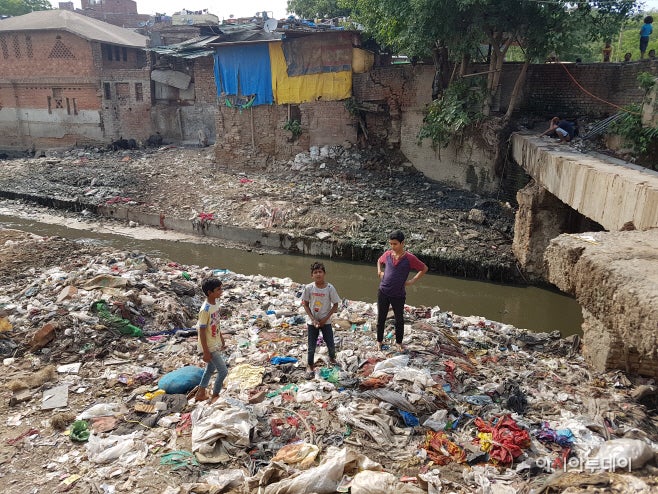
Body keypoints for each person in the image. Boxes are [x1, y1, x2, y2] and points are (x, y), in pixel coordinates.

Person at [376, 230, 428, 352]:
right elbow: (379, 260)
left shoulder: (409, 258)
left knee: (399, 320)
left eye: (395, 244)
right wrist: (379, 271)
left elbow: (424, 268)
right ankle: (379, 341)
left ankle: (399, 342)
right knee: (381, 318)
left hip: (398, 295)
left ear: (402, 243)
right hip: (383, 291)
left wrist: (412, 280)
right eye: (391, 244)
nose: (392, 246)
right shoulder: (388, 254)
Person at [301, 262, 340, 378]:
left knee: (331, 344)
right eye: (315, 272)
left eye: (320, 272)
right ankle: (310, 365)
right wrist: (313, 319)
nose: (318, 274)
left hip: (326, 321)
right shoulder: (309, 288)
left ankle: (332, 358)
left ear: (324, 273)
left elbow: (335, 305)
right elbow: (305, 304)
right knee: (311, 346)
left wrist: (325, 319)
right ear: (311, 275)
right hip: (312, 322)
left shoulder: (329, 288)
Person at [194, 277, 228, 403]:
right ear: (210, 292)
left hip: (215, 341)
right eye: (218, 289)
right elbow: (201, 331)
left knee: (210, 369)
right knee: (223, 371)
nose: (221, 291)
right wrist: (205, 351)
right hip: (209, 345)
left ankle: (200, 393)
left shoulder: (216, 304)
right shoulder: (205, 309)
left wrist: (222, 338)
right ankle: (215, 395)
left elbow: (216, 324)